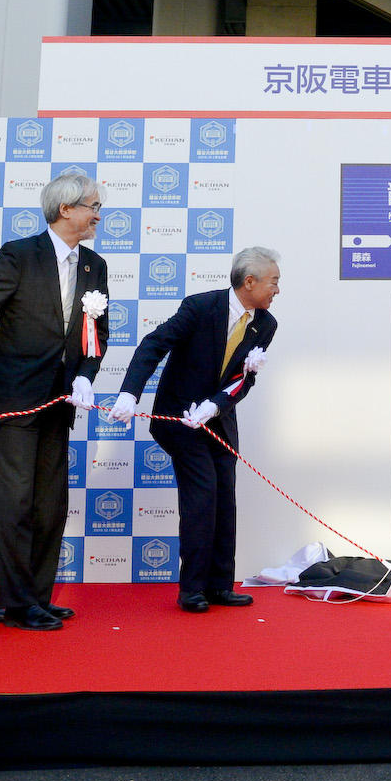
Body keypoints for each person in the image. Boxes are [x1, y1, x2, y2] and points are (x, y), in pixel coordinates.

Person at [0, 173, 109, 631]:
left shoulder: (94, 265)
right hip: (13, 398)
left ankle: (37, 597)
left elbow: (97, 333)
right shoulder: (19, 254)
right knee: (16, 502)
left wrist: (85, 376)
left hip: (59, 401)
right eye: (92, 206)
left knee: (50, 505)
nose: (98, 215)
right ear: (65, 209)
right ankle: (15, 602)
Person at [107, 247, 280, 612]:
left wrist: (214, 405)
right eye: (274, 281)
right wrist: (129, 394)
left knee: (225, 500)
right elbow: (153, 345)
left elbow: (244, 379)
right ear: (250, 281)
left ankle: (220, 586)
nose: (277, 290)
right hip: (180, 420)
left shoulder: (266, 324)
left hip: (219, 421)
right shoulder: (200, 307)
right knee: (202, 496)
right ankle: (192, 590)